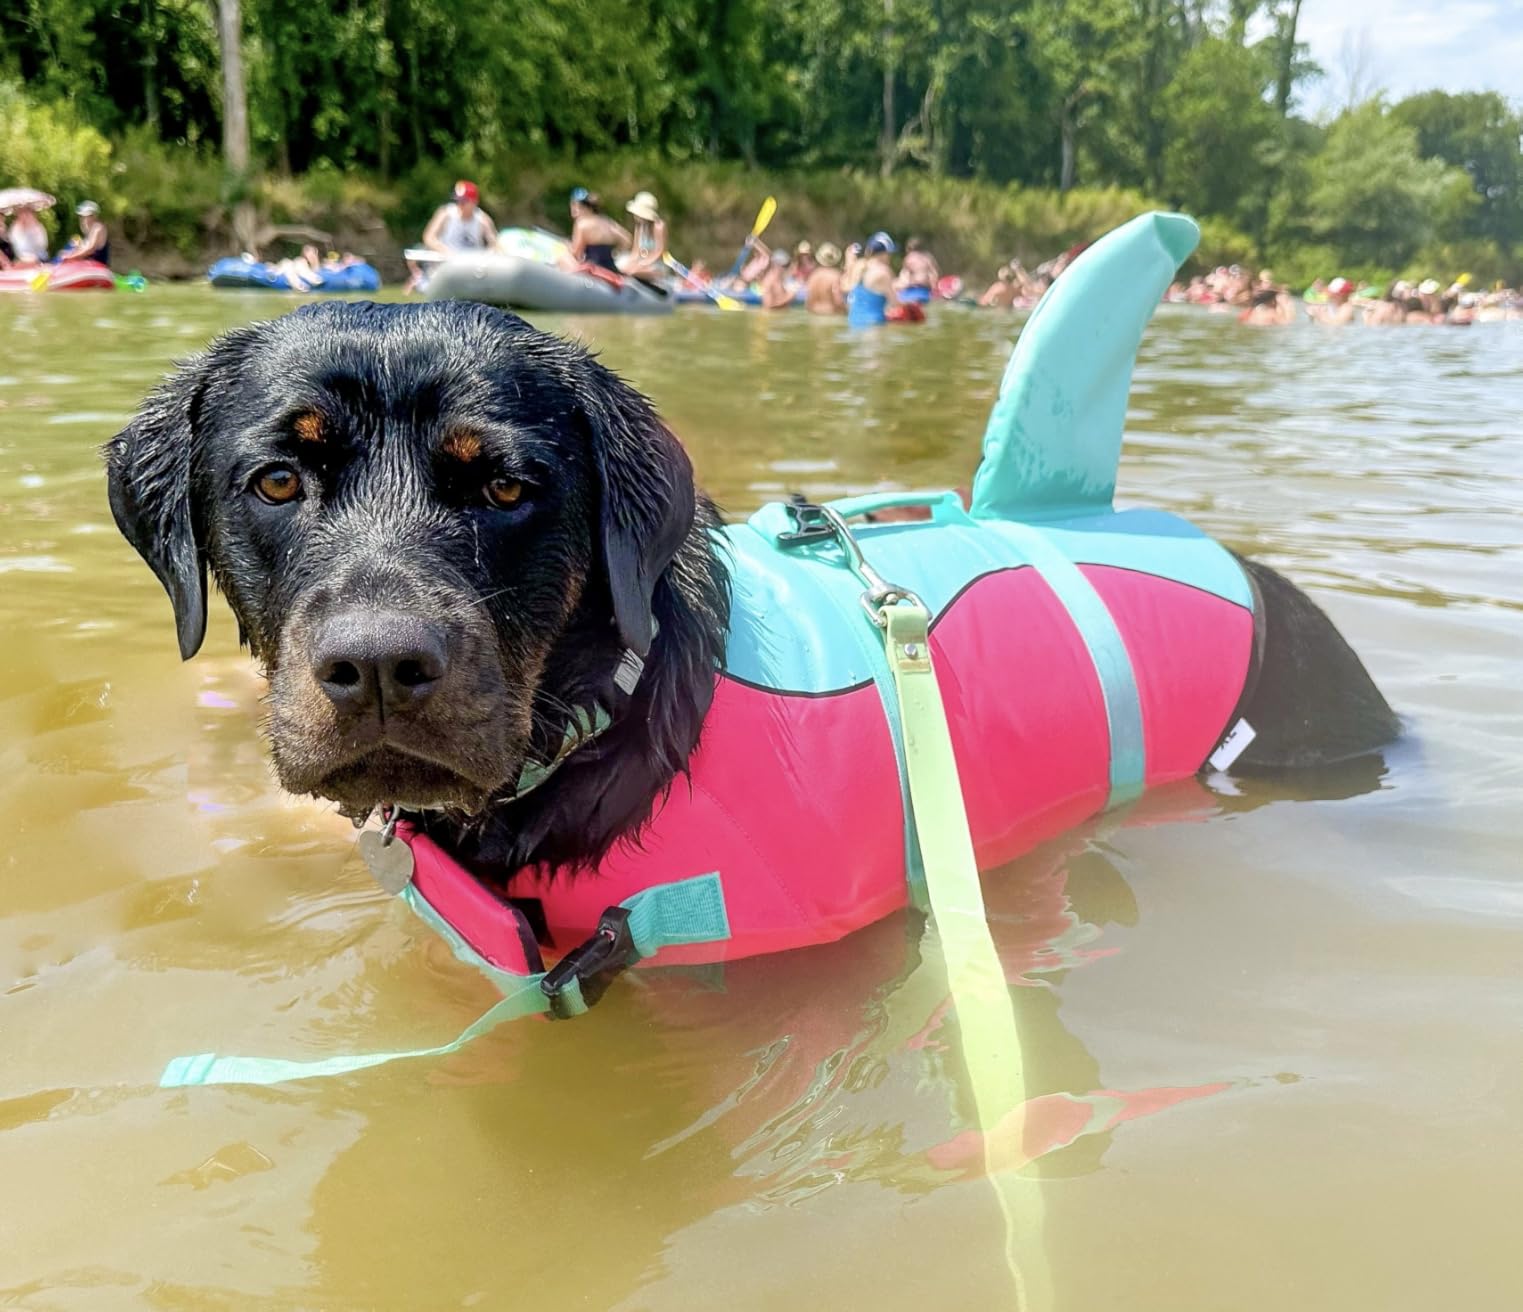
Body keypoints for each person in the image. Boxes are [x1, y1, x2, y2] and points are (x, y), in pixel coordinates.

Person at [422, 180, 497, 255]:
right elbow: (429, 238)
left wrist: (489, 253)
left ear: (474, 202)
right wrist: (444, 250)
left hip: (472, 260)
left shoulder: (482, 219)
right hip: (447, 259)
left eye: (464, 201)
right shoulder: (446, 214)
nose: (460, 204)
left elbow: (494, 243)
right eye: (458, 200)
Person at [564, 188, 629, 273]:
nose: (575, 209)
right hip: (611, 268)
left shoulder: (582, 223)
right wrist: (615, 253)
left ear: (589, 208)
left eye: (579, 207)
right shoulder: (607, 222)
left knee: (564, 257)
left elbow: (576, 253)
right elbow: (627, 240)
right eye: (573, 205)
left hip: (593, 268)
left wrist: (568, 247)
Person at [846, 231, 900, 328]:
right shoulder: (883, 271)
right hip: (874, 324)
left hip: (853, 322)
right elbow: (895, 304)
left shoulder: (858, 267)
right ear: (884, 254)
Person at [622, 191, 668, 285]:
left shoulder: (659, 226)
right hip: (641, 262)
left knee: (633, 271)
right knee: (624, 267)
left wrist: (643, 263)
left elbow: (659, 252)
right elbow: (636, 251)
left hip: (655, 265)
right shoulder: (639, 227)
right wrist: (631, 262)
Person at [57, 200, 110, 266]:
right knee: (72, 244)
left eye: (87, 216)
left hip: (96, 265)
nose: (83, 219)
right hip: (89, 264)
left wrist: (70, 257)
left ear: (94, 215)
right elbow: (85, 249)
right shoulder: (90, 230)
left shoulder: (97, 228)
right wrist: (70, 253)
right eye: (81, 216)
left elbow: (90, 249)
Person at [804, 243, 845, 315]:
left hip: (815, 314)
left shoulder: (813, 275)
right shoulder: (835, 275)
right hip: (831, 313)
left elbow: (808, 300)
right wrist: (846, 310)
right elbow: (838, 300)